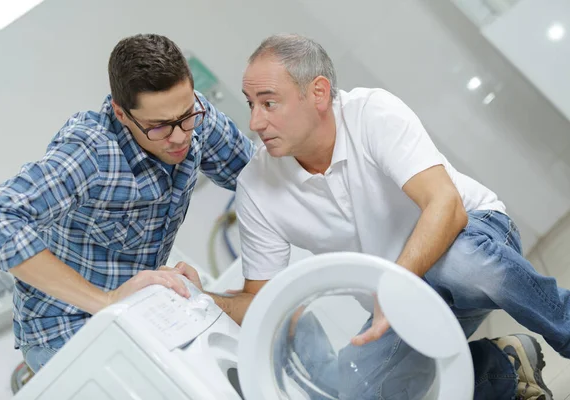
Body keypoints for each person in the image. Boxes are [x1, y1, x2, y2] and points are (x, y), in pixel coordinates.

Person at [189, 34, 569, 399]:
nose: (254, 122)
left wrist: (394, 285)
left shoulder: (370, 113)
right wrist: (200, 298)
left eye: (268, 103)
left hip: (475, 241)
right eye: (250, 104)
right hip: (399, 302)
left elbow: (446, 206)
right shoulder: (257, 187)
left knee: (462, 265)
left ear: (318, 93)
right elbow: (263, 301)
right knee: (355, 392)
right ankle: (500, 368)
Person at [0, 33, 254, 373]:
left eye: (186, 115)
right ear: (121, 113)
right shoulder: (92, 150)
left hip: (138, 312)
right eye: (159, 127)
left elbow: (260, 181)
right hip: (64, 330)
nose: (179, 136)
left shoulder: (195, 117)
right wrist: (106, 302)